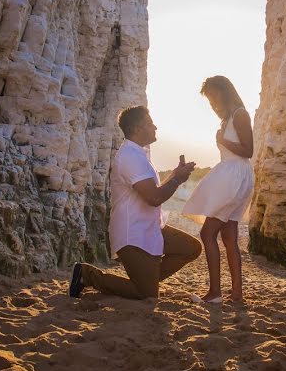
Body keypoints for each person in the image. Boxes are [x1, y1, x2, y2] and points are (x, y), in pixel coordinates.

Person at [69, 105, 201, 300]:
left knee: (191, 248)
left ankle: (148, 279)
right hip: (133, 235)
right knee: (146, 293)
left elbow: (152, 191)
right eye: (150, 123)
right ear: (138, 128)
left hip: (151, 228)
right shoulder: (131, 157)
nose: (155, 127)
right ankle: (88, 275)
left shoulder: (139, 154)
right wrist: (176, 180)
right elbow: (154, 198)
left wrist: (175, 175)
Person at [182, 76, 255, 303]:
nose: (212, 102)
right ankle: (236, 294)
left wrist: (224, 140)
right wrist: (224, 138)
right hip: (231, 175)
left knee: (207, 232)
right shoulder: (227, 119)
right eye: (209, 98)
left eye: (214, 95)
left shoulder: (240, 114)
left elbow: (248, 150)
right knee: (229, 236)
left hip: (236, 177)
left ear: (225, 92)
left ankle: (215, 293)